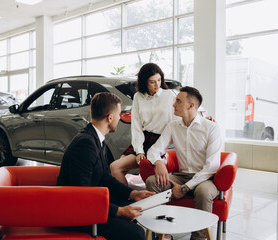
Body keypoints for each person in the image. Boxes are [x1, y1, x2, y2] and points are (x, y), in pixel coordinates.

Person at [56, 92, 155, 240]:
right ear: (110, 117)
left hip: (91, 202)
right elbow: (81, 195)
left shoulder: (96, 138)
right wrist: (120, 211)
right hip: (77, 213)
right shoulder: (85, 144)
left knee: (135, 207)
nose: (119, 118)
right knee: (136, 233)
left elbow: (106, 177)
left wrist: (132, 194)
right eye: (119, 114)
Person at [145, 86, 222, 240]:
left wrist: (186, 188)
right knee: (152, 181)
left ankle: (199, 238)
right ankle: (163, 233)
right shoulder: (173, 126)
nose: (174, 104)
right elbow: (153, 150)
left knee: (204, 192)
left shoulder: (211, 128)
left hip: (205, 178)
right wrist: (158, 162)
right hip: (181, 176)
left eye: (178, 101)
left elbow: (212, 166)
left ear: (191, 105)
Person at [110, 63, 177, 185]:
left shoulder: (169, 95)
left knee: (116, 167)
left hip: (160, 140)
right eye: (152, 82)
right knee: (115, 168)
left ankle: (130, 197)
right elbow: (136, 126)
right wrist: (139, 150)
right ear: (144, 82)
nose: (157, 84)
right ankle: (128, 198)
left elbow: (181, 116)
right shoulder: (138, 97)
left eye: (159, 80)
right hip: (143, 139)